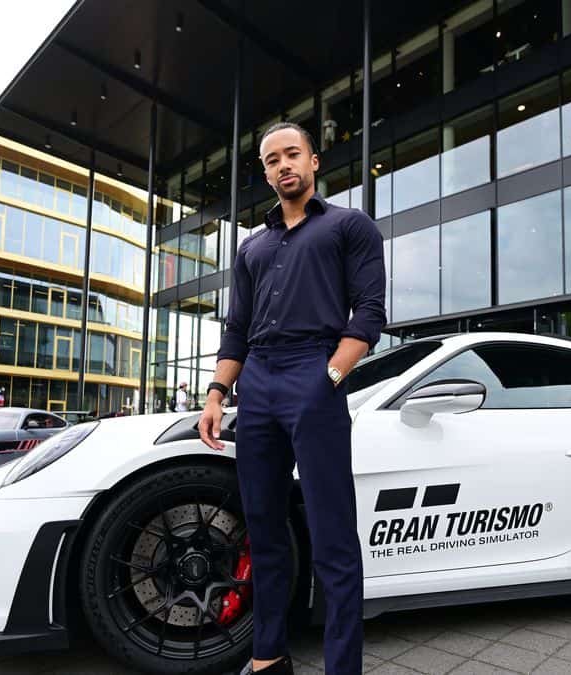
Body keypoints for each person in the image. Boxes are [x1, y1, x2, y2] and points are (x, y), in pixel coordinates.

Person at [198, 121, 385, 674]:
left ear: (314, 161)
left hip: (313, 374)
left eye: (293, 154)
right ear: (265, 170)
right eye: (273, 159)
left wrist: (327, 377)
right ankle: (268, 659)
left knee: (332, 536)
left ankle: (342, 669)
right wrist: (216, 394)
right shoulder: (252, 246)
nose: (284, 165)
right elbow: (237, 327)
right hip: (257, 383)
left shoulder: (350, 227)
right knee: (263, 529)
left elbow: (369, 313)